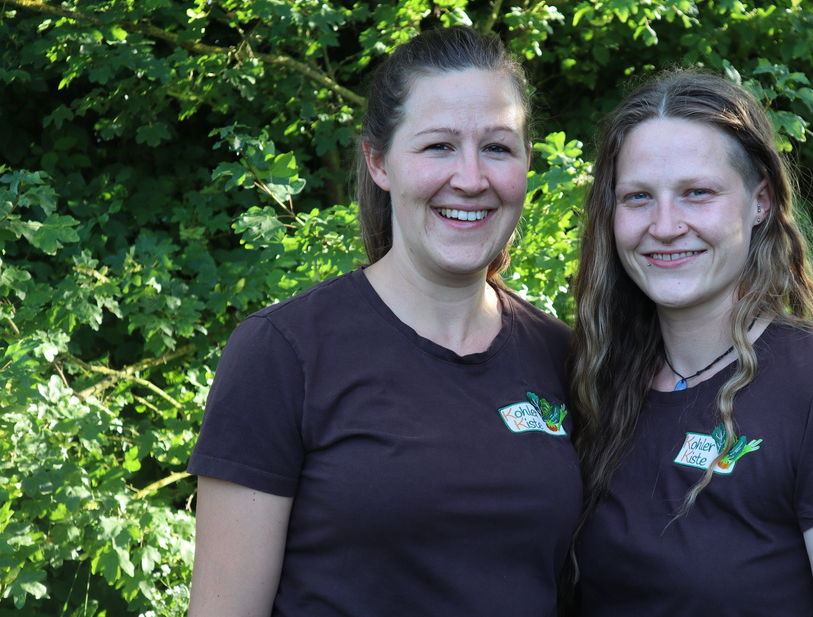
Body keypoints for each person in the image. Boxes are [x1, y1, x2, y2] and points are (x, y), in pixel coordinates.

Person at [187, 26, 581, 617]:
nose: (471, 179)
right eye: (438, 147)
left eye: (498, 148)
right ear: (379, 162)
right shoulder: (284, 353)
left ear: (528, 163)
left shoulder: (563, 356)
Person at [568, 71, 813, 616]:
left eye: (697, 193)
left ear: (760, 201)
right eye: (638, 197)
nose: (664, 226)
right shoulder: (600, 387)